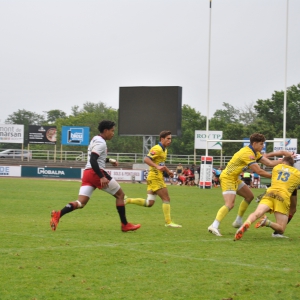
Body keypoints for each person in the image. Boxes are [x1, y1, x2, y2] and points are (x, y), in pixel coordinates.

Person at [50, 120, 141, 232]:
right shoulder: (101, 142)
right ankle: (125, 225)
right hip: (96, 172)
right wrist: (101, 176)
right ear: (106, 130)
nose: (113, 133)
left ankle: (58, 214)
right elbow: (93, 159)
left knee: (81, 203)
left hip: (87, 173)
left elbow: (96, 157)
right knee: (120, 195)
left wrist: (110, 160)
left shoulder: (95, 139)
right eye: (112, 131)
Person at [207, 133, 294, 237]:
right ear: (254, 143)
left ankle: (238, 221)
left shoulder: (255, 152)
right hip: (228, 178)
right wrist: (275, 176)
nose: (263, 146)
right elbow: (259, 171)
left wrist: (284, 162)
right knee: (230, 204)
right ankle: (214, 225)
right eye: (261, 144)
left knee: (249, 196)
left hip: (235, 178)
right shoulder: (247, 153)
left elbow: (269, 163)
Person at [234, 156, 300, 240]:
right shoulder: (297, 173)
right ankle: (267, 222)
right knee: (281, 229)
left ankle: (245, 224)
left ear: (282, 162)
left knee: (257, 213)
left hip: (270, 193)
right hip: (282, 197)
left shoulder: (276, 168)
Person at [125, 130, 182, 227]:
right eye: (168, 139)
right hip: (155, 177)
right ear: (162, 139)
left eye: (170, 139)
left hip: (153, 177)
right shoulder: (157, 148)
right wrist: (157, 167)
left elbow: (161, 164)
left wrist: (168, 171)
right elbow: (146, 159)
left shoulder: (164, 150)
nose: (170, 141)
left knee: (149, 203)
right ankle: (168, 222)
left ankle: (128, 200)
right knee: (166, 198)